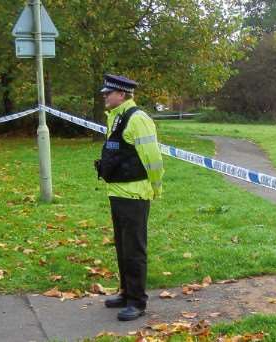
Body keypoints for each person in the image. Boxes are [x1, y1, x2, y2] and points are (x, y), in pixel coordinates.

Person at [94, 74, 164, 321]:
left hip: (135, 195)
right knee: (123, 247)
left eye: (108, 93)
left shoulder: (138, 119)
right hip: (117, 192)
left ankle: (137, 302)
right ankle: (126, 293)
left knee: (134, 250)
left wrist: (156, 187)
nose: (104, 95)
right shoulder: (116, 117)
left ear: (121, 95)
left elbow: (152, 158)